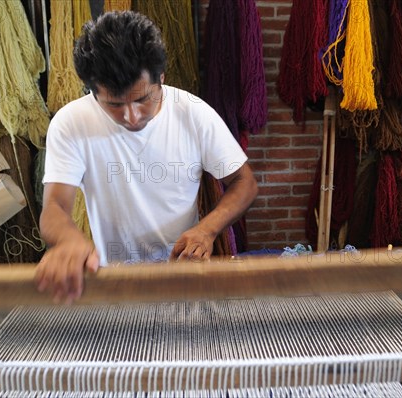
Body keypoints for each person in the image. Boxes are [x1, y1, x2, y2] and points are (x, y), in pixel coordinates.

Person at [35, 11, 258, 303]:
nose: (131, 116)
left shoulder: (193, 113)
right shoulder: (70, 123)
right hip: (115, 280)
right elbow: (54, 207)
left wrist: (207, 230)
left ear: (161, 78)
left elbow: (245, 183)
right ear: (92, 91)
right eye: (114, 104)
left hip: (182, 273)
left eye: (142, 99)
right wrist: (68, 241)